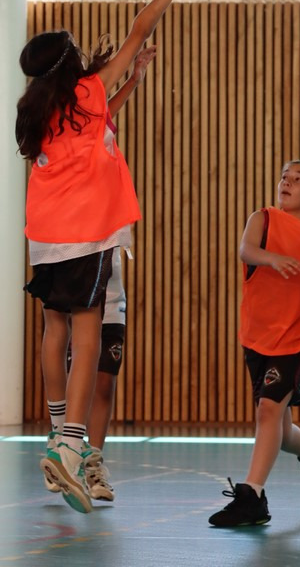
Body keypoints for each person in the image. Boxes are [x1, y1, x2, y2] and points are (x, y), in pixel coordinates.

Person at [16, 0, 211, 514]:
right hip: (87, 233)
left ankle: (57, 430)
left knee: (54, 330)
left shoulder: (39, 110)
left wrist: (132, 84)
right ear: (69, 62)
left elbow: (97, 126)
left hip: (44, 238)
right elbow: (140, 26)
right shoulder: (87, 90)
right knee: (88, 337)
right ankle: (71, 444)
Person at [42, 49, 156, 502]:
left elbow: (110, 111)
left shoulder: (88, 120)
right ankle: (66, 441)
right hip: (81, 245)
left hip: (96, 260)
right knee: (70, 340)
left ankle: (87, 460)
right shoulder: (72, 117)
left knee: (103, 375)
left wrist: (134, 80)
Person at [209, 160, 300, 528]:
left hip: (296, 341)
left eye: (298, 180)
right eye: (285, 177)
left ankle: (252, 496)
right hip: (257, 337)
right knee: (281, 430)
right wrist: (272, 258)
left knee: (268, 411)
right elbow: (246, 250)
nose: (287, 182)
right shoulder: (263, 218)